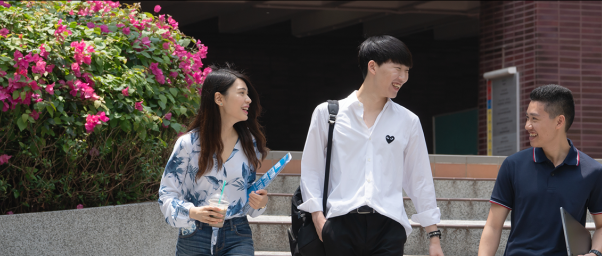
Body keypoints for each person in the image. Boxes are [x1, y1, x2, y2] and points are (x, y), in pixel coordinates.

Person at [298, 35, 444, 256]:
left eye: (407, 71)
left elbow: (419, 178)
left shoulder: (408, 121)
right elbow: (311, 170)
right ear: (372, 66)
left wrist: (433, 235)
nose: (403, 78)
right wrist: (318, 218)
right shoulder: (328, 114)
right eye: (398, 69)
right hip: (339, 223)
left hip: (389, 225)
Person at [478, 84, 602, 256]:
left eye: (534, 119)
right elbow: (493, 226)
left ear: (559, 121)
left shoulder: (593, 172)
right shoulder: (513, 165)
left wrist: (595, 253)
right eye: (527, 118)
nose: (527, 126)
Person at [158, 66, 270, 256]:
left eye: (248, 94)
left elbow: (248, 192)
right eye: (242, 93)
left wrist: (260, 202)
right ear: (219, 98)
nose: (248, 100)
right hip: (194, 234)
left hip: (237, 233)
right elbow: (167, 195)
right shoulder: (188, 144)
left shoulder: (249, 143)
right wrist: (193, 212)